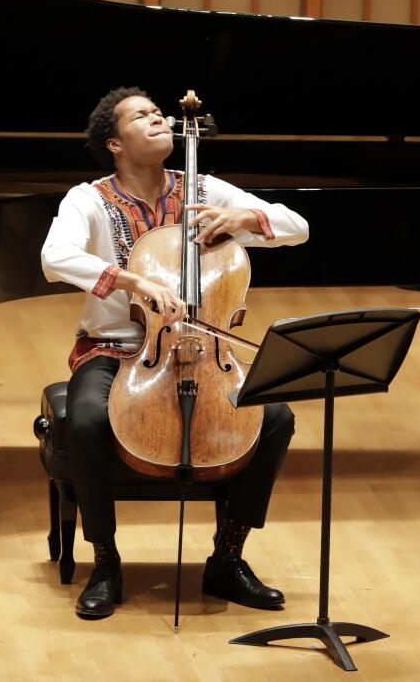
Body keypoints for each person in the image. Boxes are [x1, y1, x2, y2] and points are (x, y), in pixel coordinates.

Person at [40, 87, 310, 619]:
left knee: (274, 415)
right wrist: (134, 281)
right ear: (115, 143)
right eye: (142, 116)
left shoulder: (203, 189)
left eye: (159, 113)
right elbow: (55, 258)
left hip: (206, 349)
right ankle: (106, 560)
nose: (158, 118)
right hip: (116, 350)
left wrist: (243, 221)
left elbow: (297, 227)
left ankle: (227, 557)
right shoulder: (89, 200)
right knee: (90, 419)